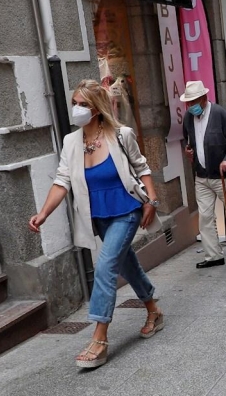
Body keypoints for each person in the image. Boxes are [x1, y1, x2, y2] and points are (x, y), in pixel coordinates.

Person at [28, 80, 163, 369]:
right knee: (126, 263)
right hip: (98, 217)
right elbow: (62, 180)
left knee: (104, 267)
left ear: (97, 108)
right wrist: (43, 214)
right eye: (74, 102)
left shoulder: (121, 135)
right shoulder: (71, 142)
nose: (76, 108)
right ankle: (153, 309)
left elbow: (141, 167)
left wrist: (151, 200)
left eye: (83, 104)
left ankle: (99, 338)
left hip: (127, 211)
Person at [181, 81, 226, 267]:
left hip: (223, 175)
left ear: (204, 98)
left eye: (194, 101)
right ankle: (213, 255)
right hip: (201, 176)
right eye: (188, 103)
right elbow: (189, 139)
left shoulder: (220, 114)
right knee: (205, 216)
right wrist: (188, 151)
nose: (190, 106)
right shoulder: (188, 118)